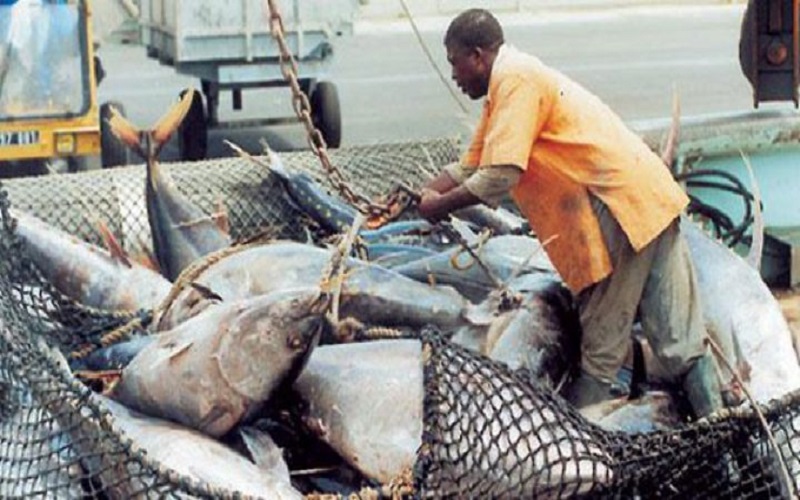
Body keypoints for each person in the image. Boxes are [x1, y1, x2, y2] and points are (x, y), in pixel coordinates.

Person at [418, 8, 722, 418]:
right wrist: (427, 192)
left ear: (477, 55)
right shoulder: (508, 86)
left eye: (455, 64)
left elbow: (501, 174)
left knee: (599, 349)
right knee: (681, 340)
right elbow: (472, 164)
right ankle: (726, 432)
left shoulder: (516, 81)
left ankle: (578, 455)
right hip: (650, 197)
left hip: (617, 209)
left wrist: (441, 206)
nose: (454, 76)